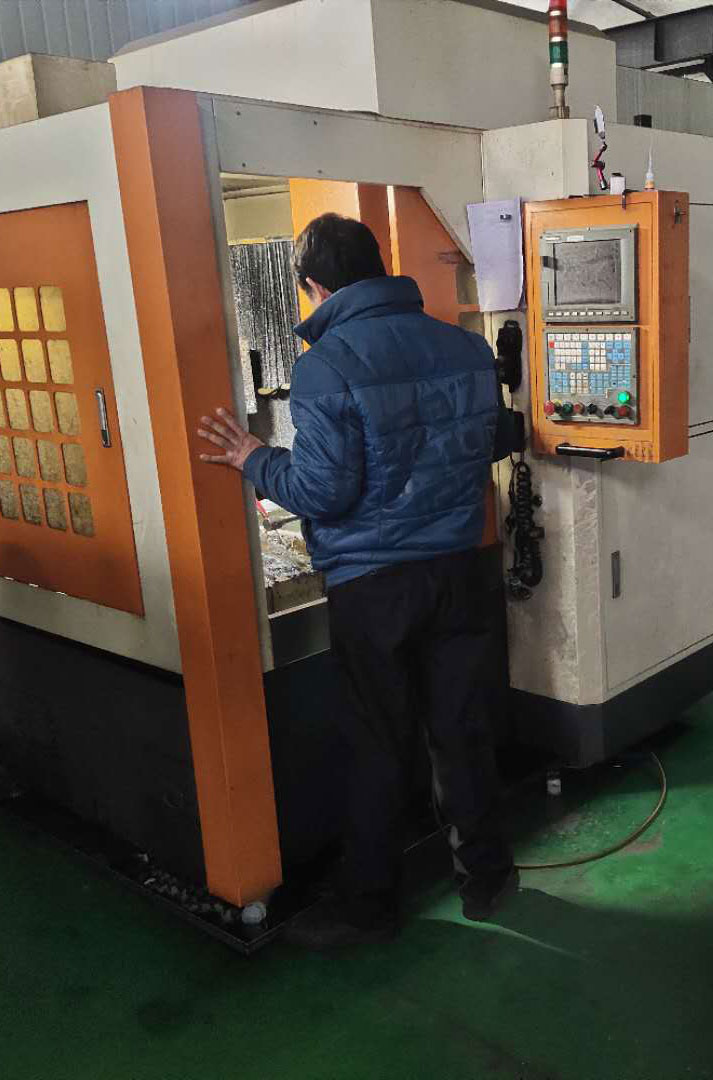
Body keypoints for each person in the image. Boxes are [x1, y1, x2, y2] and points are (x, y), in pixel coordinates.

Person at [199, 212, 519, 947]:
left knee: (378, 742)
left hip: (375, 587)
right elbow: (496, 439)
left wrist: (253, 458)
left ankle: (370, 906)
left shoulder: (327, 366)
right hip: (462, 569)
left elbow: (325, 491)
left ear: (314, 286)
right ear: (379, 267)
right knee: (461, 731)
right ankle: (488, 881)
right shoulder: (464, 346)